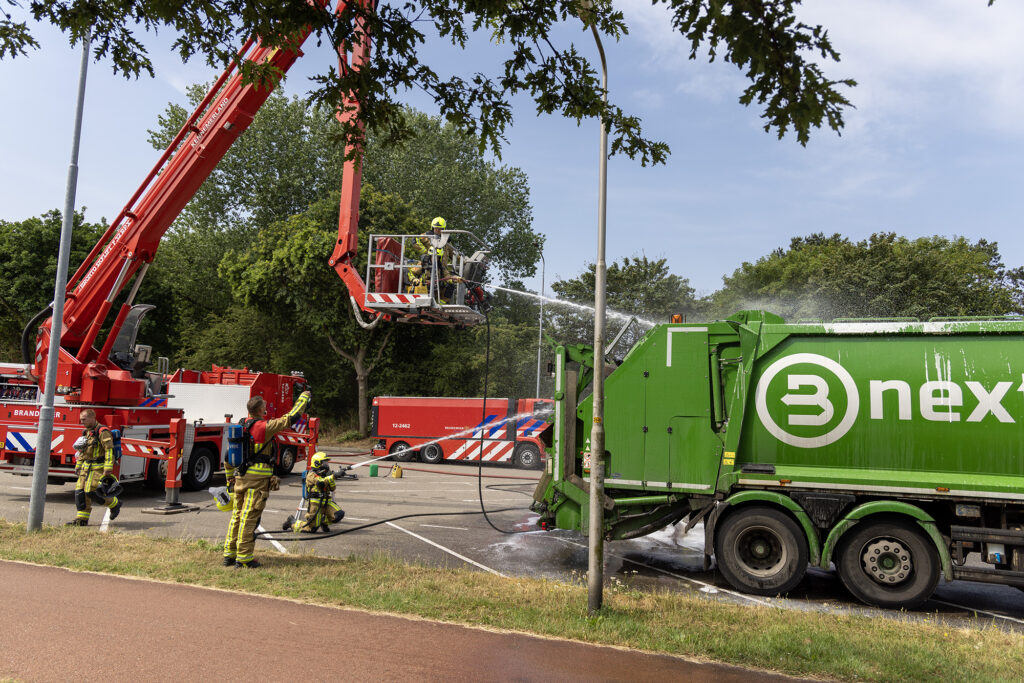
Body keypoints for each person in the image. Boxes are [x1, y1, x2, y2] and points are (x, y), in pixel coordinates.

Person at [223, 389, 311, 568]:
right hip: (256, 482)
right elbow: (291, 418)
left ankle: (229, 554)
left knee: (237, 517)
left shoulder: (241, 425)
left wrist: (229, 479)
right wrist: (304, 397)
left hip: (240, 478)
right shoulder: (265, 427)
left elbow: (227, 456)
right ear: (260, 410)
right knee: (249, 518)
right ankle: (244, 558)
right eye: (264, 407)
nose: (266, 410)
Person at [67, 409, 122, 526]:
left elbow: (109, 450)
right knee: (80, 493)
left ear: (92, 417)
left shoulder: (103, 431)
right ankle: (82, 519)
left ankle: (115, 504)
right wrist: (78, 465)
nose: (82, 422)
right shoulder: (86, 432)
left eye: (84, 419)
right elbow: (82, 452)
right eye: (81, 419)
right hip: (86, 468)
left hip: (98, 468)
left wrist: (108, 467)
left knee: (93, 492)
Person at [284, 452, 345, 533]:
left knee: (339, 514)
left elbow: (332, 488)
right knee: (311, 529)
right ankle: (292, 522)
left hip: (327, 502)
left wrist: (334, 476)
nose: (326, 465)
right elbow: (320, 483)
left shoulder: (326, 475)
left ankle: (323, 522)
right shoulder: (311, 475)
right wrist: (334, 476)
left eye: (327, 462)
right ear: (317, 463)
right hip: (315, 504)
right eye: (324, 462)